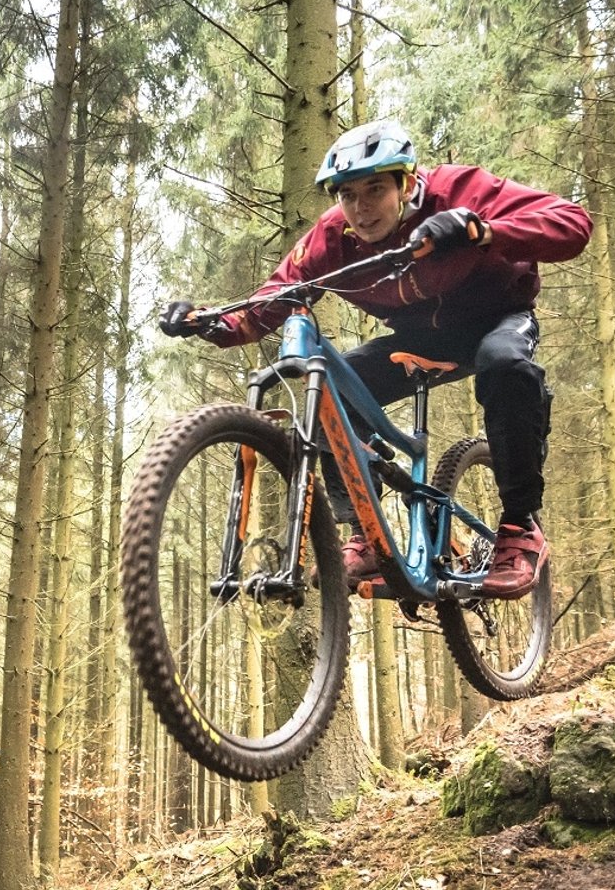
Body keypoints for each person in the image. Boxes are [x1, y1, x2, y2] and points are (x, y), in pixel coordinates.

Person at [158, 121, 592, 600]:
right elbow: (274, 298)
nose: (361, 209)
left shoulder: (457, 190)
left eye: (375, 190)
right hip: (419, 338)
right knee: (329, 389)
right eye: (347, 195)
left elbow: (572, 223)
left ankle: (519, 529)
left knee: (505, 365)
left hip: (497, 318)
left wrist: (481, 231)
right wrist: (210, 322)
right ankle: (364, 534)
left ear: (406, 184)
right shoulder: (332, 236)